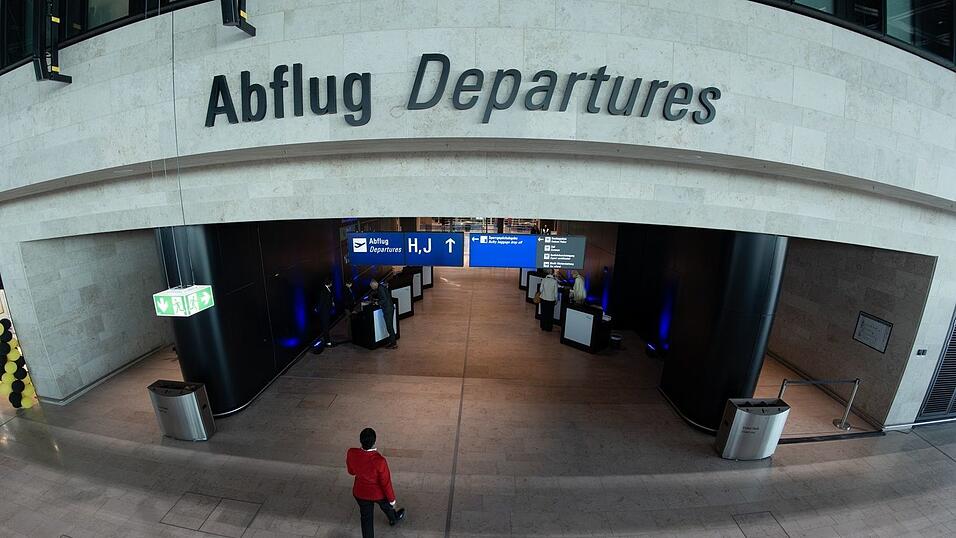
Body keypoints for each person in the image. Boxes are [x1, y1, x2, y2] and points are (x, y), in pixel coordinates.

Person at [347, 428, 406, 537]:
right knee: (387, 506)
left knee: (366, 518)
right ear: (374, 441)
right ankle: (393, 518)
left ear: (360, 440)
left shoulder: (351, 452)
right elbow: (386, 483)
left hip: (360, 492)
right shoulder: (380, 461)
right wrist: (392, 500)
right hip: (378, 493)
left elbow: (351, 472)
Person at [370, 279, 397, 349]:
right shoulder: (381, 287)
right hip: (390, 308)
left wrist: (377, 303)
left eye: (372, 286)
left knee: (389, 327)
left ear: (374, 284)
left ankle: (393, 343)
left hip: (387, 310)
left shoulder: (380, 289)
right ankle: (392, 341)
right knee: (390, 326)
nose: (372, 288)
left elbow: (384, 299)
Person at [315, 276, 335, 351]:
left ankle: (327, 340)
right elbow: (321, 301)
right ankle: (327, 342)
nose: (332, 283)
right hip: (324, 312)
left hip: (327, 311)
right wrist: (317, 309)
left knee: (326, 326)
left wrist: (332, 302)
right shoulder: (323, 290)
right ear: (329, 282)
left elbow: (328, 299)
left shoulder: (328, 289)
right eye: (331, 282)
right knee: (325, 326)